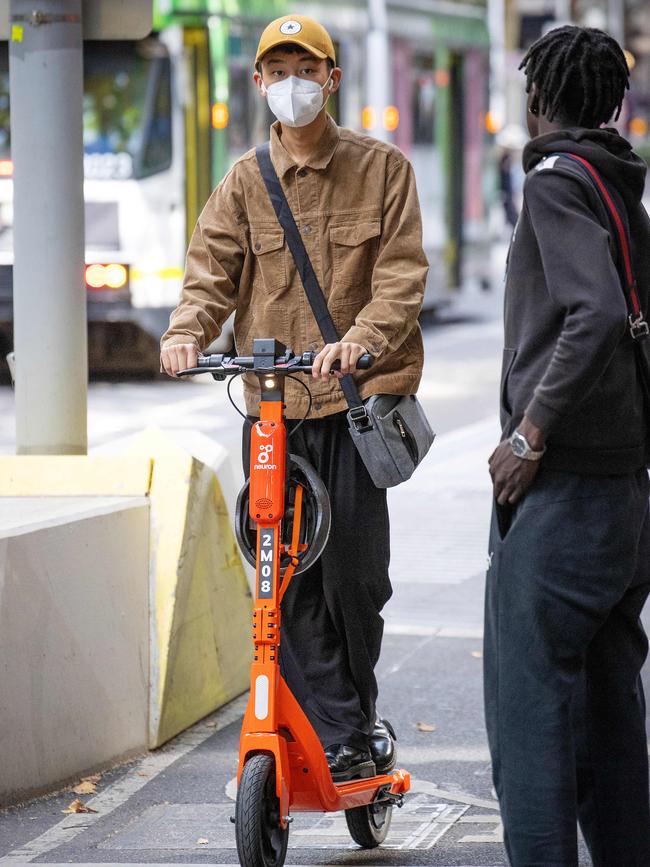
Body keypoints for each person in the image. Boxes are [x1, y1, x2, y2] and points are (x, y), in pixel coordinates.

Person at [160, 15, 427, 781]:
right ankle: (344, 733)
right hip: (273, 412)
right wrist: (187, 332)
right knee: (283, 578)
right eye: (276, 70)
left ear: (332, 79)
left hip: (353, 407)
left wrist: (363, 339)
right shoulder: (245, 181)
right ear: (258, 83)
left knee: (355, 578)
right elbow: (210, 269)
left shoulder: (383, 170)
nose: (290, 84)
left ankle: (352, 717)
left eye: (304, 68)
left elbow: (403, 277)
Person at [485, 25, 650, 866]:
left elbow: (591, 315)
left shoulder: (555, 181)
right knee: (609, 715)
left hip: (564, 497)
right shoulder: (618, 182)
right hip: (625, 499)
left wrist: (528, 431)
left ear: (539, 99)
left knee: (532, 718)